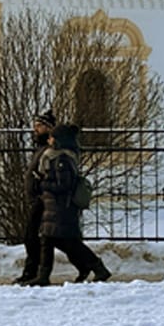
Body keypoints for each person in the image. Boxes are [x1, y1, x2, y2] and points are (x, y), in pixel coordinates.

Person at [29, 122, 112, 286]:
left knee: (67, 242)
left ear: (60, 140)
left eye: (52, 137)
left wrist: (43, 183)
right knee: (49, 240)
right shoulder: (54, 156)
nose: (49, 140)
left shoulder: (62, 159)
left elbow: (64, 185)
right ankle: (44, 275)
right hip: (53, 206)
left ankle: (97, 267)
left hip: (61, 207)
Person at [14, 111, 56, 285]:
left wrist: (40, 190)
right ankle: (32, 272)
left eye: (39, 126)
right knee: (38, 238)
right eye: (35, 126)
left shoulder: (50, 150)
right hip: (37, 199)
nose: (35, 129)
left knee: (32, 237)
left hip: (42, 200)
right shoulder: (41, 148)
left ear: (49, 128)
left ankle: (35, 273)